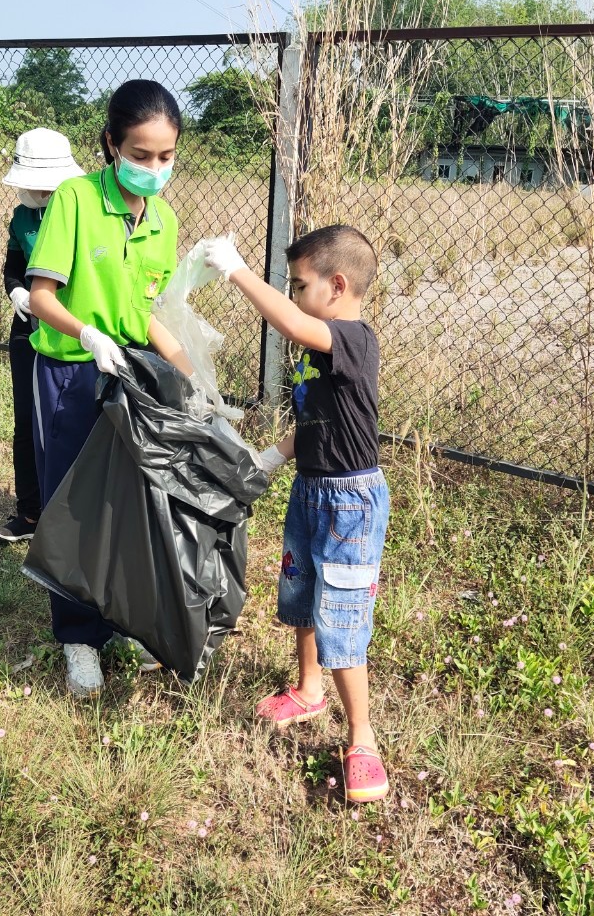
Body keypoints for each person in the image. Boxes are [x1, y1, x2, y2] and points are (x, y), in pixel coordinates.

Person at [204, 225, 392, 803]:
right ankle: (310, 688)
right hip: (310, 489)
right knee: (303, 593)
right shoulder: (319, 349)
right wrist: (275, 455)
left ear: (336, 287)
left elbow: (288, 321)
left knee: (341, 613)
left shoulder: (353, 339)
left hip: (350, 503)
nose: (291, 294)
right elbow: (315, 418)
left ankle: (362, 737)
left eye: (299, 284)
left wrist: (238, 270)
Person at [27, 79, 194, 697]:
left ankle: (122, 616)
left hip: (130, 375)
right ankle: (78, 639)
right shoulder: (75, 201)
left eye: (166, 157)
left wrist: (188, 370)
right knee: (73, 505)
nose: (153, 168)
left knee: (130, 502)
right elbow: (42, 297)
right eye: (141, 154)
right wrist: (89, 335)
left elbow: (147, 311)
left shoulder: (164, 222)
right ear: (111, 145)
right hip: (72, 371)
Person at [0, 128, 83, 545]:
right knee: (27, 420)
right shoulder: (22, 217)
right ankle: (30, 514)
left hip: (71, 330)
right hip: (28, 328)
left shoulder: (82, 211)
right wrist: (17, 291)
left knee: (70, 424)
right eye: (33, 185)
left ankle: (71, 516)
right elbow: (13, 266)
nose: (39, 193)